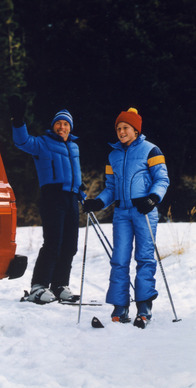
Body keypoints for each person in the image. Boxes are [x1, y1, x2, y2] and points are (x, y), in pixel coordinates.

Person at [82, 108, 169, 328]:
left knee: (144, 257)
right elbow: (110, 188)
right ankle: (120, 306)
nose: (121, 132)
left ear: (136, 130)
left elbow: (162, 179)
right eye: (119, 128)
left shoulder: (151, 150)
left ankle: (144, 305)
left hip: (144, 211)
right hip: (121, 213)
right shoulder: (113, 155)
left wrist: (152, 198)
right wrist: (98, 202)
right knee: (119, 259)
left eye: (125, 128)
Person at [10, 96, 82, 304]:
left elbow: (76, 176)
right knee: (53, 243)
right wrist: (18, 120)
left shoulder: (74, 147)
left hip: (71, 199)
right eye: (58, 123)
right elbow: (22, 141)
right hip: (53, 197)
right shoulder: (43, 143)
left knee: (70, 245)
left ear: (70, 127)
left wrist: (83, 194)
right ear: (53, 126)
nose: (62, 127)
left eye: (66, 124)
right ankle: (38, 286)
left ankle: (59, 285)